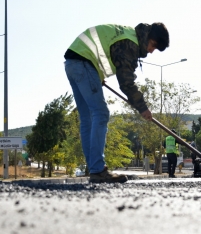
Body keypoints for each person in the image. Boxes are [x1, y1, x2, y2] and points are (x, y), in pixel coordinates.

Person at [64, 23, 170, 183]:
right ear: (148, 36)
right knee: (101, 113)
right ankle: (97, 169)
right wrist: (143, 108)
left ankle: (94, 168)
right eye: (153, 45)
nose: (150, 50)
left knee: (87, 119)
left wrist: (96, 74)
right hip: (84, 62)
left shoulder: (127, 35)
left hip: (73, 63)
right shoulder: (129, 43)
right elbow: (126, 82)